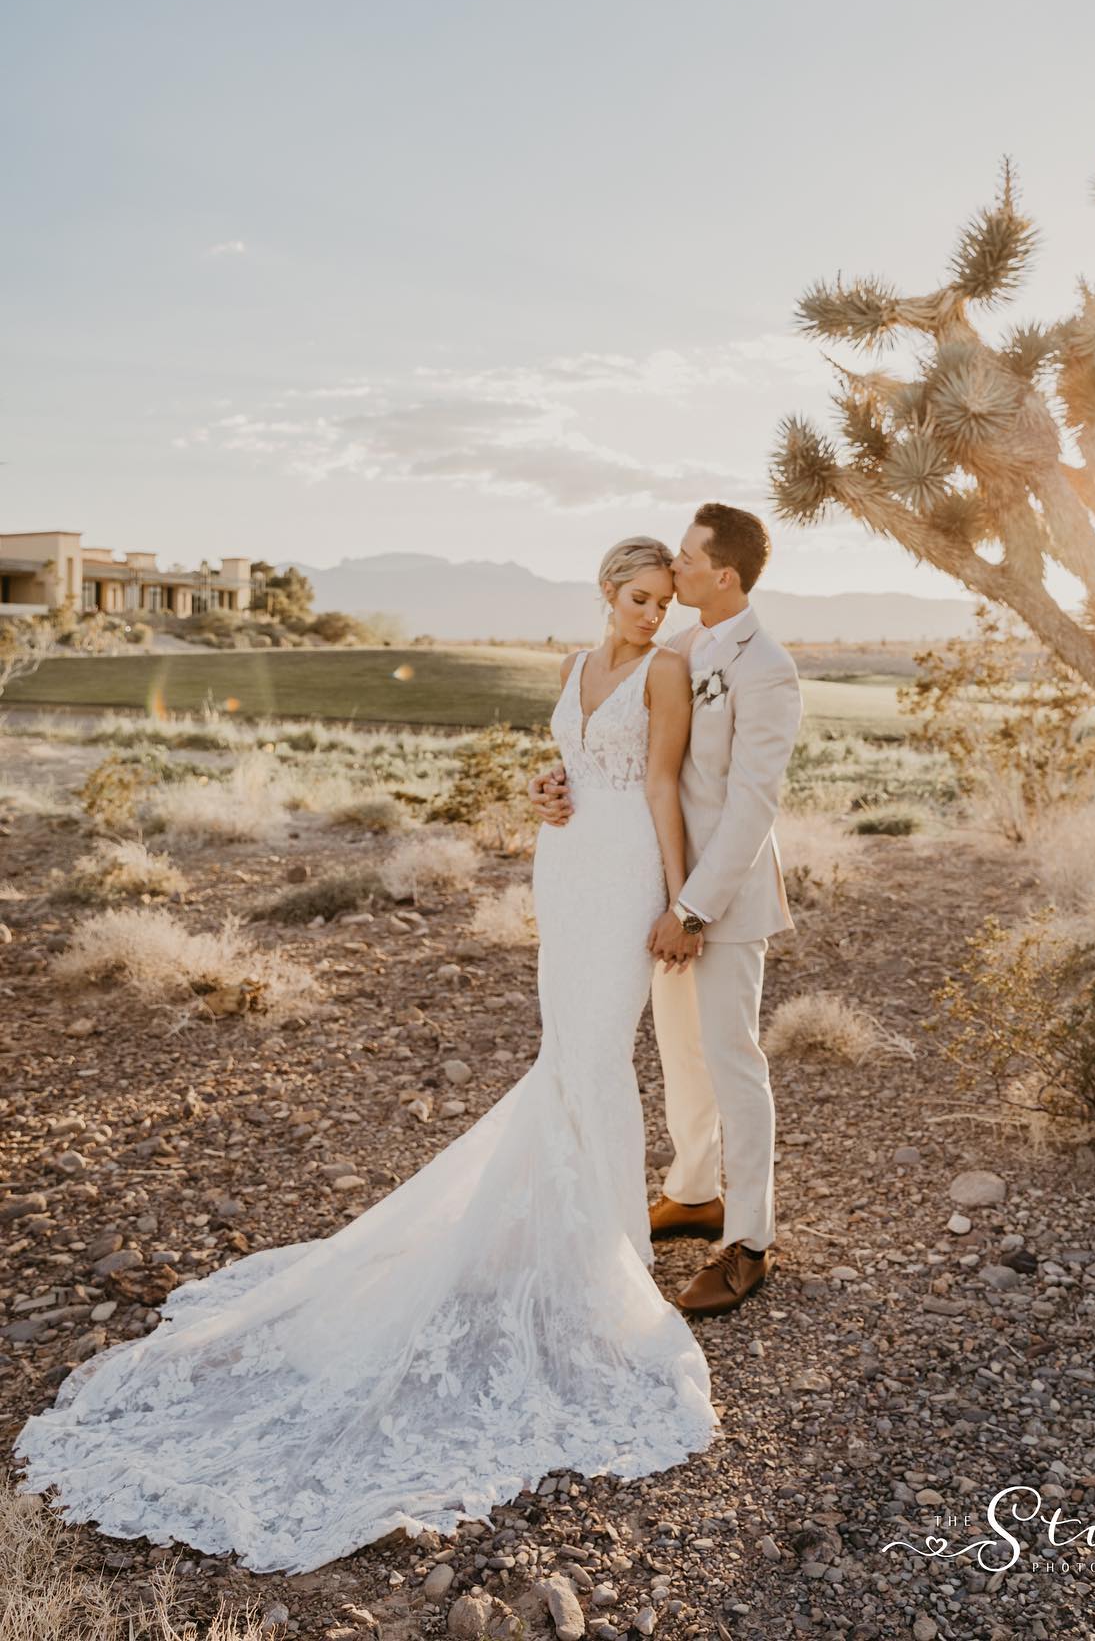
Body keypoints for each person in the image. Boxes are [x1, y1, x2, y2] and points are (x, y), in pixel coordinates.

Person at [12, 537, 718, 1577]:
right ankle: (572, 1250)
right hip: (566, 862)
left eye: (663, 603)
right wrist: (544, 789)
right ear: (607, 593)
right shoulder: (574, 665)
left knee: (598, 1058)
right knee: (563, 1051)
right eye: (640, 599)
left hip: (624, 874)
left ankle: (612, 1266)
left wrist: (678, 900)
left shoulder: (665, 671)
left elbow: (659, 783)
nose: (653, 617)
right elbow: (565, 764)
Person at [528, 503, 804, 1317]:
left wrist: (691, 907)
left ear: (722, 575)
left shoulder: (767, 667)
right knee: (680, 1054)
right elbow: (628, 752)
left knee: (731, 1058)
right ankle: (691, 1192)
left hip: (724, 897)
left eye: (686, 560)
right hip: (656, 883)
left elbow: (753, 807)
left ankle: (749, 1240)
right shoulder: (682, 648)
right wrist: (558, 786)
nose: (673, 572)